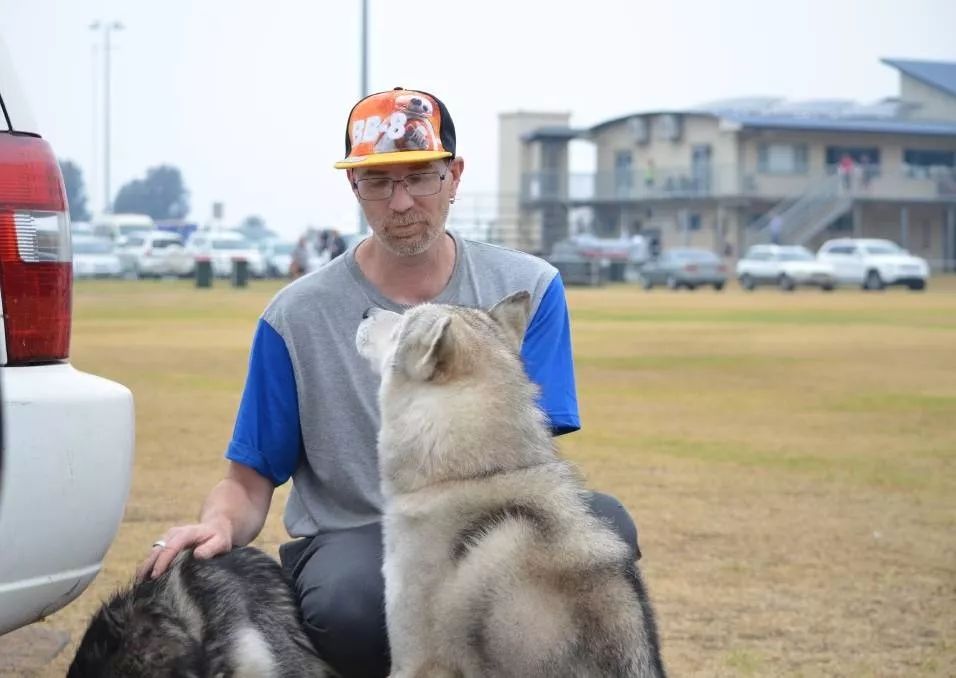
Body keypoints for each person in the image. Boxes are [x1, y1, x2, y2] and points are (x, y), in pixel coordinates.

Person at [138, 87, 640, 678]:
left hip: (484, 521)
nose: (401, 202)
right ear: (355, 187)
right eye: (378, 181)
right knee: (351, 604)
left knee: (605, 527)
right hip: (353, 537)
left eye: (420, 177)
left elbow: (529, 460)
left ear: (454, 175)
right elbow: (247, 483)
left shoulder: (527, 288)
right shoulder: (295, 317)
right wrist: (217, 525)